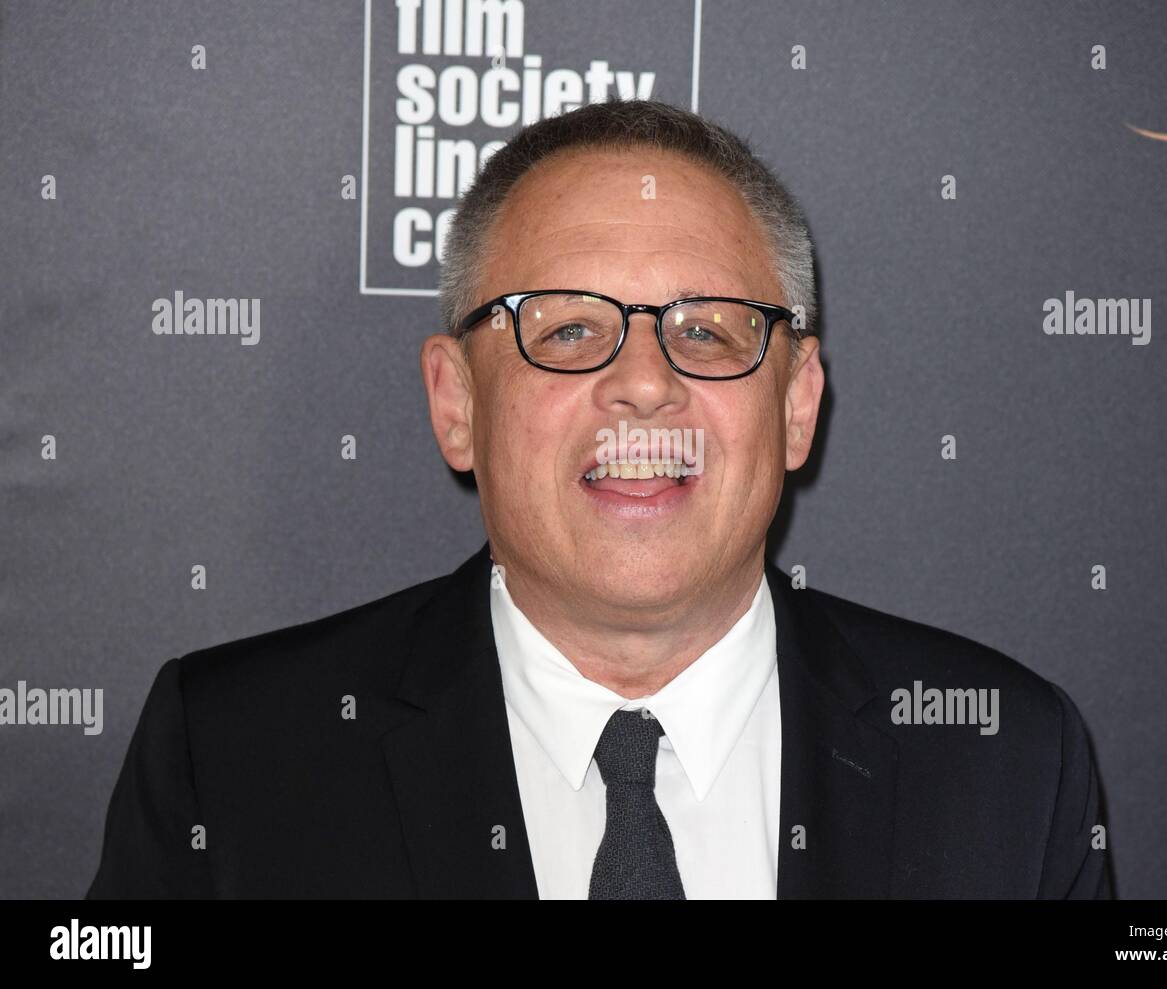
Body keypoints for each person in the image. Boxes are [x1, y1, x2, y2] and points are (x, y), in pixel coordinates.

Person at [87, 98, 1111, 899]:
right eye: (570, 330)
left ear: (796, 406)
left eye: (706, 329)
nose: (644, 382)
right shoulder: (231, 755)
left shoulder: (1002, 760)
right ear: (455, 402)